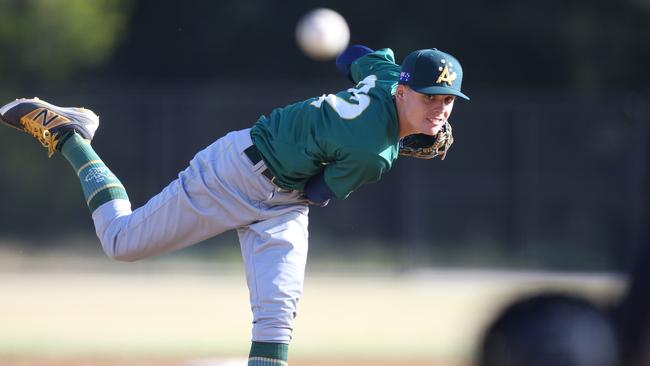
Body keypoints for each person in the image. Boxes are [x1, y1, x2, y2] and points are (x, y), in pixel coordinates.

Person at [0, 45, 469, 366]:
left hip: (284, 202)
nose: (440, 109)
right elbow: (320, 191)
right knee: (121, 242)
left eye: (448, 100)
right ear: (404, 91)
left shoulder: (388, 75)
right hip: (236, 174)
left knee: (277, 315)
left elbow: (356, 57)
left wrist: (349, 63)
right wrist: (398, 140)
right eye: (431, 97)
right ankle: (70, 135)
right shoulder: (375, 153)